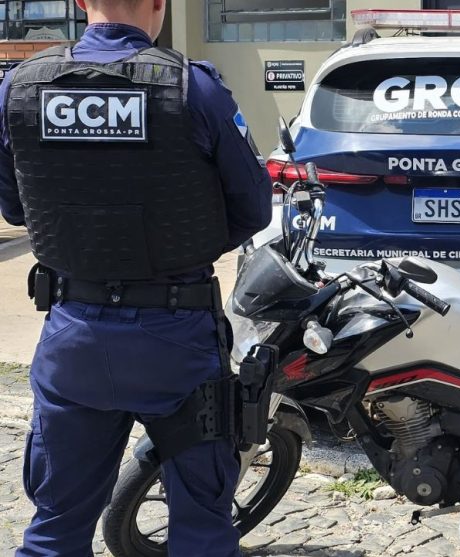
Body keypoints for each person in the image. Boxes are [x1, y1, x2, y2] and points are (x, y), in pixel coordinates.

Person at [0, 0, 273, 555]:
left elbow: (16, 207)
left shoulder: (18, 89)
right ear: (159, 4)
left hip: (73, 334)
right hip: (176, 334)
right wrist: (177, 247)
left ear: (80, 2)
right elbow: (254, 209)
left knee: (54, 530)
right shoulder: (193, 87)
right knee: (199, 530)